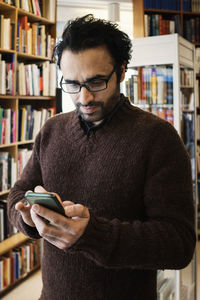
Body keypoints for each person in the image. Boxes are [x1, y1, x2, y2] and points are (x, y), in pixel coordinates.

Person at [7, 15, 196, 300]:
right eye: (71, 84)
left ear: (121, 71)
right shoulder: (51, 130)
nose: (83, 98)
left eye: (96, 82)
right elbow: (17, 194)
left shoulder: (159, 138)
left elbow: (179, 245)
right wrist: (29, 219)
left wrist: (93, 235)